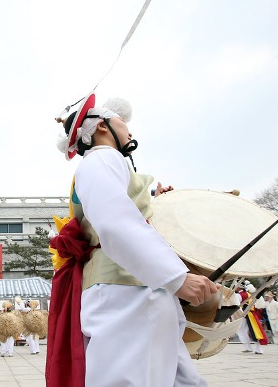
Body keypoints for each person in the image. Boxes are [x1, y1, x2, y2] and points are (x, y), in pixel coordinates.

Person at [47, 94, 219, 386]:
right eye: (122, 122)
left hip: (136, 287)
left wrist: (154, 204)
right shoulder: (102, 157)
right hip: (126, 290)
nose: (129, 130)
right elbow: (114, 223)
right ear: (101, 126)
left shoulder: (106, 163)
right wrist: (177, 278)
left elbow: (120, 216)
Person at [234, 282, 267, 354]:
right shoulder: (249, 294)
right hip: (251, 315)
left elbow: (236, 305)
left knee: (241, 330)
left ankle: (248, 346)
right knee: (253, 331)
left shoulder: (239, 295)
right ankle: (254, 348)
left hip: (243, 315)